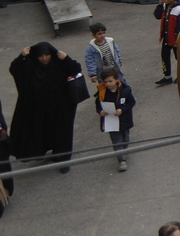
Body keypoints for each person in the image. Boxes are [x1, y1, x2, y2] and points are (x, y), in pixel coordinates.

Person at [9, 41, 86, 173]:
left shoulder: (59, 63)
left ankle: (64, 161)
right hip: (41, 109)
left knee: (63, 133)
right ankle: (50, 153)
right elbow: (15, 69)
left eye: (47, 55)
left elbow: (76, 69)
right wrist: (21, 56)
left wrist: (66, 58)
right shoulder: (32, 67)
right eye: (41, 56)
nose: (44, 58)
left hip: (62, 108)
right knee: (45, 131)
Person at [94, 67, 138, 172]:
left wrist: (122, 110)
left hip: (124, 120)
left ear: (117, 80)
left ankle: (124, 150)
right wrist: (100, 112)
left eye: (110, 81)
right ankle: (121, 160)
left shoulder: (125, 90)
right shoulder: (102, 93)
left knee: (125, 138)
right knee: (116, 141)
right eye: (105, 82)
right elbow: (98, 105)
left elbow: (131, 103)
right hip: (111, 121)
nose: (108, 84)